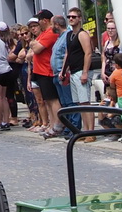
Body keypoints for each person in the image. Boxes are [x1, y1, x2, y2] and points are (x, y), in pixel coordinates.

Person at [28, 9, 67, 138]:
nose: (38, 23)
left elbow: (37, 49)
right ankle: (51, 124)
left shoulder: (50, 33)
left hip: (47, 71)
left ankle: (58, 125)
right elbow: (29, 54)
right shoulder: (43, 34)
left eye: (39, 20)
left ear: (44, 20)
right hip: (40, 71)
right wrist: (33, 45)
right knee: (47, 100)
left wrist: (33, 44)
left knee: (53, 100)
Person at [65, 7, 94, 107]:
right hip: (73, 71)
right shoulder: (69, 34)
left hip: (81, 70)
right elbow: (68, 53)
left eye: (74, 17)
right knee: (79, 102)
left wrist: (85, 73)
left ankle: (89, 124)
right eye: (69, 17)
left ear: (80, 18)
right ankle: (85, 123)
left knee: (85, 102)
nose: (71, 19)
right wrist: (64, 71)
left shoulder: (82, 34)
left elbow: (88, 53)